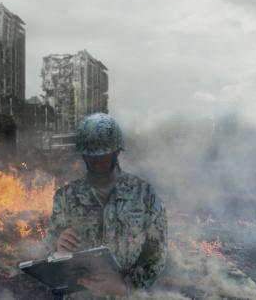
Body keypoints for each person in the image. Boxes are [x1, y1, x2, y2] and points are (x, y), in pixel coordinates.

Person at [44, 113, 168, 299]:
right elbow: (50, 250)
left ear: (117, 152)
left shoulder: (144, 194)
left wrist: (124, 287)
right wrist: (58, 249)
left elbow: (157, 254)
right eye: (91, 156)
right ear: (83, 155)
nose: (97, 162)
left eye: (103, 155)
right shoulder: (66, 196)